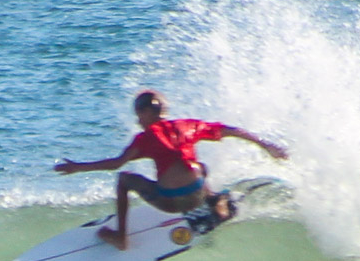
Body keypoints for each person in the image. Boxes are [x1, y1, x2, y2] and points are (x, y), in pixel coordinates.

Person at [54, 90, 288, 249]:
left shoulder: (144, 139)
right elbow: (230, 130)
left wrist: (77, 167)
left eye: (138, 114)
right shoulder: (187, 126)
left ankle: (121, 237)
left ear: (146, 113)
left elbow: (116, 164)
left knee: (124, 179)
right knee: (199, 167)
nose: (137, 120)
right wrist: (266, 146)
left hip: (171, 203)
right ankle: (216, 203)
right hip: (196, 195)